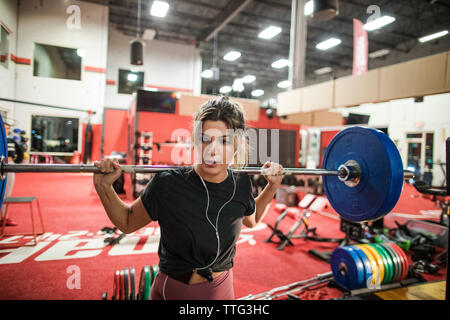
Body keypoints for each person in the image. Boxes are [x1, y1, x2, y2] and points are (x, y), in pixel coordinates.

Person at [93, 96, 283, 300]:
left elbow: (251, 220)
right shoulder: (168, 183)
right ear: (195, 141)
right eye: (205, 139)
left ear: (236, 144)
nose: (213, 150)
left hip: (221, 290)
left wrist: (272, 187)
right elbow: (128, 221)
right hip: (173, 290)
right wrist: (104, 187)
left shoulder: (240, 184)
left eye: (224, 141)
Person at [1, 121, 17, 226]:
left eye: (7, 128)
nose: (6, 130)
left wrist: (13, 160)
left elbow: (17, 153)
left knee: (7, 192)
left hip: (8, 166)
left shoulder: (10, 140)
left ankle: (3, 217)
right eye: (4, 128)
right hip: (3, 165)